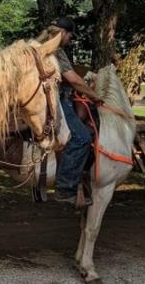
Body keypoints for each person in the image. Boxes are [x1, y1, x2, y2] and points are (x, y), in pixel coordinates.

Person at [37, 17, 104, 206]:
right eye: (70, 36)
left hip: (39, 97)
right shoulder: (56, 51)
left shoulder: (36, 46)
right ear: (63, 34)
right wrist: (94, 96)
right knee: (82, 137)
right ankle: (66, 189)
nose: (71, 41)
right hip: (55, 99)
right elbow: (73, 79)